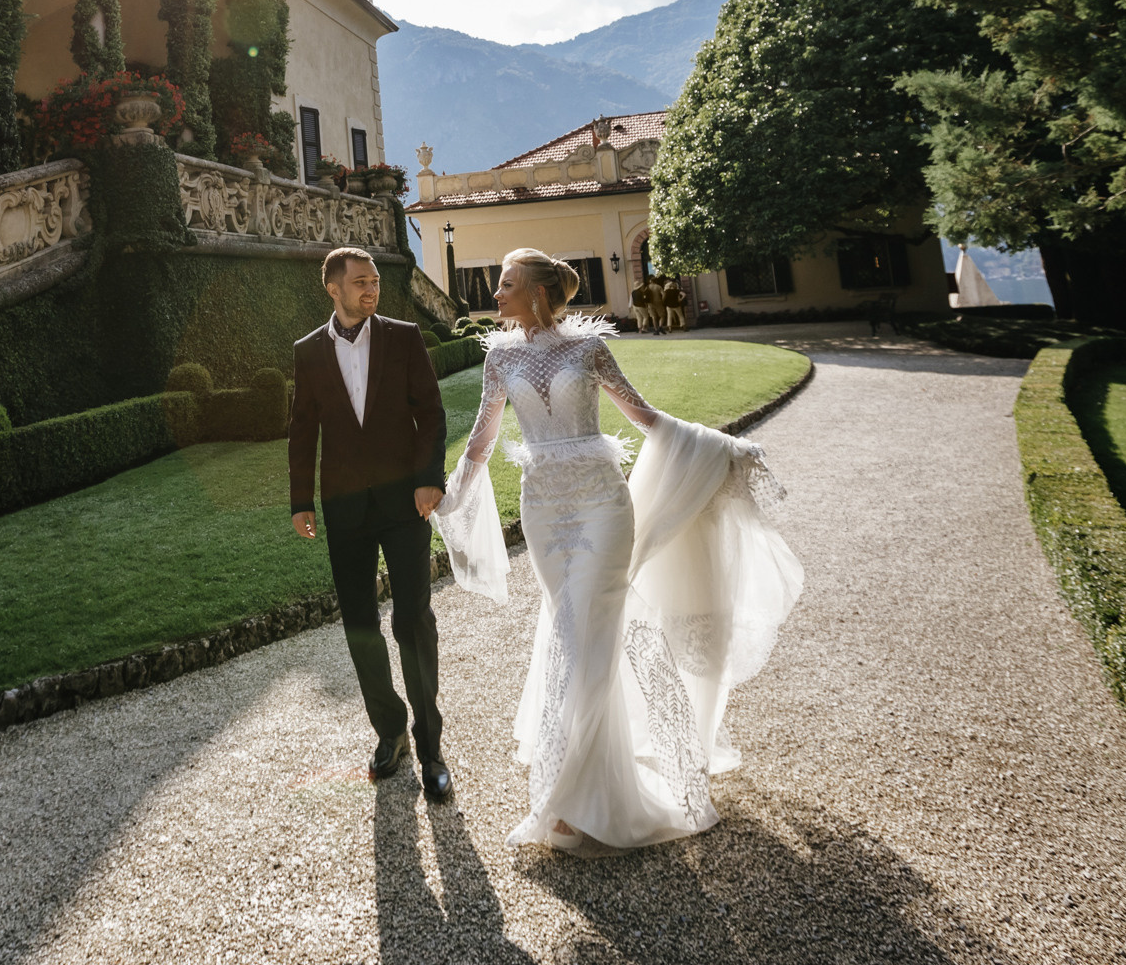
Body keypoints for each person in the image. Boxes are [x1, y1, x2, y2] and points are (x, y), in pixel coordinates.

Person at [434, 248, 802, 851]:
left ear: (537, 292)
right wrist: (451, 499)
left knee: (589, 632)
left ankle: (570, 795)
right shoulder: (500, 357)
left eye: (504, 284)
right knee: (575, 632)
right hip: (545, 512)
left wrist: (724, 450)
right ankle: (590, 788)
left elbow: (644, 416)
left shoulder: (589, 350)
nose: (493, 295)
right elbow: (481, 439)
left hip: (604, 506)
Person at [288, 246, 455, 802]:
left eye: (375, 281)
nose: (371, 289)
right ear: (332, 288)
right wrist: (300, 501)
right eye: (359, 282)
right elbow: (301, 431)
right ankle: (390, 730)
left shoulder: (405, 337)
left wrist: (431, 477)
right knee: (360, 622)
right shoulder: (307, 352)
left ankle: (431, 748)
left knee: (413, 619)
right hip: (344, 509)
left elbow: (431, 413)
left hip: (405, 503)